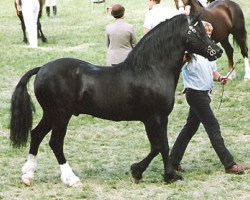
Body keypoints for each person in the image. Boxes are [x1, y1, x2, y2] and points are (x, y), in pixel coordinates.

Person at [170, 22, 246, 174]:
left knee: (189, 129)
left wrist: (221, 78)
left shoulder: (209, 53)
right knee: (214, 128)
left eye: (210, 34)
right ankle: (229, 164)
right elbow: (177, 65)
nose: (209, 36)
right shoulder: (189, 54)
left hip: (204, 95)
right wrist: (184, 55)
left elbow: (213, 73)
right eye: (206, 34)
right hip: (195, 95)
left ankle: (172, 161)